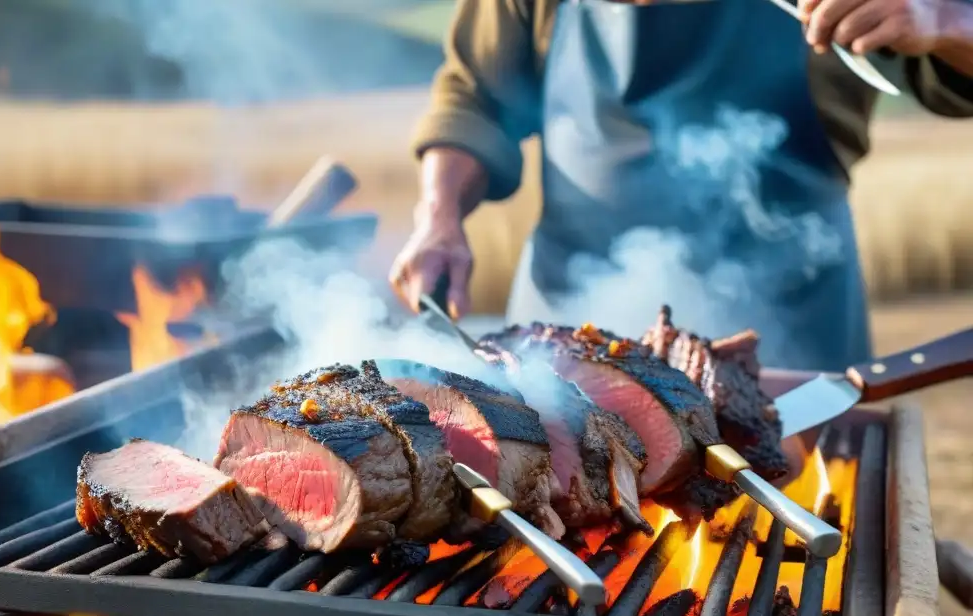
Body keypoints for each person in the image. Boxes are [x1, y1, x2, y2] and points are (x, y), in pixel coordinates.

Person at [388, 0, 973, 370]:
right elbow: (473, 97)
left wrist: (946, 20)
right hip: (565, 324)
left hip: (786, 336)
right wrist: (438, 217)